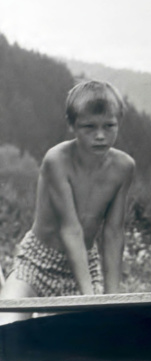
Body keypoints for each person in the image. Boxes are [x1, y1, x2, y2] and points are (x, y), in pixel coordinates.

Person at [0, 80, 135, 324]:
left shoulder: (124, 167)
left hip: (84, 263)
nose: (100, 135)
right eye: (89, 127)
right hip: (37, 261)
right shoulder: (57, 159)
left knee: (88, 337)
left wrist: (112, 298)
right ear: (72, 125)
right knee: (5, 326)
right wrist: (88, 299)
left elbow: (114, 233)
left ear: (119, 123)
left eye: (109, 125)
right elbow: (70, 229)